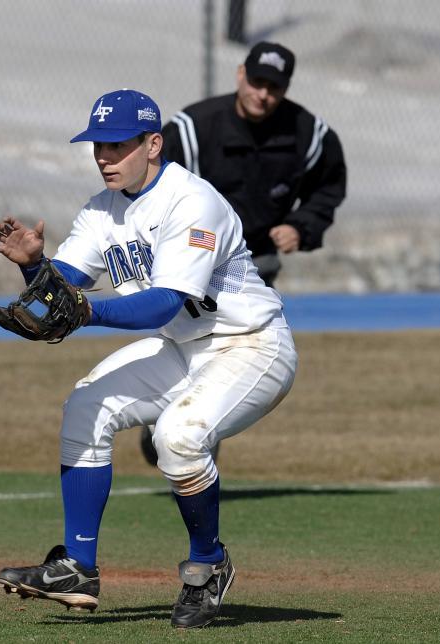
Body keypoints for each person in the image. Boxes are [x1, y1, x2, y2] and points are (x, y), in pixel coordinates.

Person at [0, 89, 297, 628]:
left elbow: (163, 301)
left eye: (116, 145)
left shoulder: (192, 201)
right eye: (97, 146)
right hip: (183, 346)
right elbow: (65, 290)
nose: (104, 156)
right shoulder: (102, 210)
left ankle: (207, 566)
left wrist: (84, 313)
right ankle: (78, 568)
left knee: (177, 437)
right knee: (86, 407)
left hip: (250, 344)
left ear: (152, 143)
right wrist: (35, 268)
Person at [140, 41, 344, 469]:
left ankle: (192, 443)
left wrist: (302, 226)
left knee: (232, 355)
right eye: (256, 82)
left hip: (252, 272)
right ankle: (164, 415)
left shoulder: (308, 133)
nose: (263, 94)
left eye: (274, 87)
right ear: (239, 75)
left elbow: (328, 186)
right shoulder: (195, 128)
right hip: (189, 264)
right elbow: (151, 185)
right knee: (188, 344)